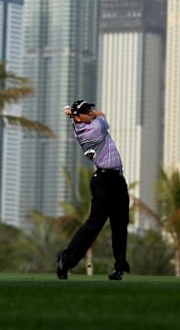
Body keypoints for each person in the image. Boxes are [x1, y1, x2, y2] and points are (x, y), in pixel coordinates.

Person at [56, 100, 131, 281]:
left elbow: (81, 114)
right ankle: (66, 259)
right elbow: (102, 115)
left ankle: (119, 267)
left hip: (116, 179)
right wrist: (79, 113)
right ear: (79, 117)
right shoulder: (93, 130)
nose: (90, 112)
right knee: (95, 224)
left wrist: (73, 112)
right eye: (86, 111)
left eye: (90, 109)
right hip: (103, 181)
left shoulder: (79, 123)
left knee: (120, 224)